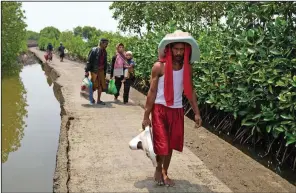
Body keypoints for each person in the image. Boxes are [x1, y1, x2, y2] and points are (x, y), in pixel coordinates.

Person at [141, 30, 202, 186]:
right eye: (176, 49)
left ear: (186, 50)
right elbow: (152, 92)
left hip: (177, 109)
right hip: (160, 109)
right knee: (162, 143)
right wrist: (146, 115)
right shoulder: (159, 67)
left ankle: (165, 171)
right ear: (169, 49)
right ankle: (159, 167)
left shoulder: (187, 68)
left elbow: (190, 91)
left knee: (171, 144)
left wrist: (197, 113)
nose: (179, 53)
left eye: (182, 49)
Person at [85, 38, 109, 105]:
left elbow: (105, 63)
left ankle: (98, 100)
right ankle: (91, 99)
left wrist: (105, 72)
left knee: (100, 86)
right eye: (105, 43)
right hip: (94, 71)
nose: (107, 45)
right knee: (93, 85)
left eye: (107, 43)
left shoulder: (105, 51)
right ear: (101, 43)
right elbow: (89, 61)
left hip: (101, 71)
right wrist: (86, 71)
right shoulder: (94, 50)